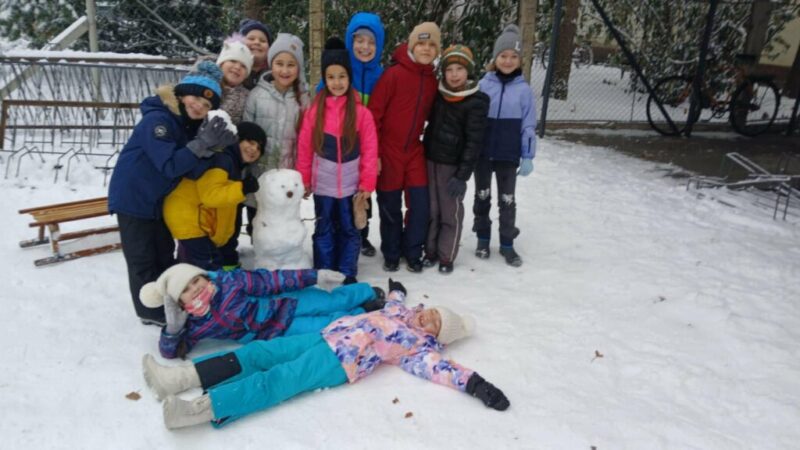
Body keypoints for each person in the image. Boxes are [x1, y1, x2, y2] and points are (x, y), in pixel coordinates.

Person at [141, 279, 510, 429]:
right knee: (259, 352)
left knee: (277, 380)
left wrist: (476, 385)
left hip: (339, 362)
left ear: (436, 337)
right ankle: (179, 377)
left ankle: (198, 410)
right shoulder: (401, 312)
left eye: (436, 325)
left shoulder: (417, 348)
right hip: (323, 336)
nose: (429, 319)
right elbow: (396, 300)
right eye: (434, 313)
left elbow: (442, 369)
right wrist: (396, 290)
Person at [108, 61, 237, 326]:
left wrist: (212, 149)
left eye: (207, 105)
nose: (199, 106)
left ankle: (168, 304)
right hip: (134, 198)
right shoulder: (159, 121)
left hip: (156, 200)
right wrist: (201, 144)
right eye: (196, 98)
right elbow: (169, 165)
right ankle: (150, 312)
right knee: (143, 258)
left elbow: (191, 170)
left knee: (164, 253)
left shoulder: (185, 126)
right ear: (181, 94)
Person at [138, 263, 388, 360]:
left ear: (204, 277)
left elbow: (271, 280)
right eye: (186, 289)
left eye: (196, 280)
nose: (196, 288)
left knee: (329, 301)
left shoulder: (229, 282)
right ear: (179, 302)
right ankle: (362, 311)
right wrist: (173, 330)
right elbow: (171, 352)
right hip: (275, 329)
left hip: (285, 302)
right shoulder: (195, 324)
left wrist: (313, 276)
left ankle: (366, 293)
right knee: (327, 325)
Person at [296, 37, 378, 284]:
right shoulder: (315, 112)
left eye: (342, 76)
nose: (337, 82)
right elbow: (305, 148)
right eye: (331, 77)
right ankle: (324, 270)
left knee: (350, 229)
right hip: (323, 186)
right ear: (324, 79)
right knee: (324, 228)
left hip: (351, 188)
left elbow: (370, 150)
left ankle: (347, 271)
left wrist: (367, 183)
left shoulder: (361, 113)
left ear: (349, 77)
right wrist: (304, 179)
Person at [368, 22, 440, 273]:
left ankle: (412, 251)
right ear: (411, 46)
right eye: (421, 43)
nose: (426, 49)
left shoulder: (432, 81)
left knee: (420, 205)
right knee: (389, 205)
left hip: (414, 151)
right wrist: (376, 154)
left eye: (431, 45)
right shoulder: (394, 75)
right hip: (389, 150)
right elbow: (373, 116)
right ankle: (391, 252)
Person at [422, 45, 489, 274]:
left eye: (459, 69)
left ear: (468, 71)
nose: (454, 74)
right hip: (430, 160)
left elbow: (474, 143)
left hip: (452, 167)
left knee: (450, 212)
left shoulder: (476, 101)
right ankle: (430, 251)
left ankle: (446, 256)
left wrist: (462, 176)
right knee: (432, 210)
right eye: (449, 69)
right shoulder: (439, 94)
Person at [163, 122, 266, 270]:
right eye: (250, 142)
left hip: (197, 221)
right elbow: (211, 197)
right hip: (190, 220)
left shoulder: (231, 162)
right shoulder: (222, 159)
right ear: (237, 139)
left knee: (200, 267)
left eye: (259, 148)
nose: (254, 149)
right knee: (209, 267)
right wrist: (242, 188)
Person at [474, 25, 536, 267]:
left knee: (507, 200)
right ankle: (482, 238)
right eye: (503, 55)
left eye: (513, 56)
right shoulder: (483, 85)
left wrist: (528, 155)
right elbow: (474, 119)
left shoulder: (524, 90)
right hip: (483, 154)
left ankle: (507, 243)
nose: (508, 61)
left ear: (519, 60)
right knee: (482, 197)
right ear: (495, 58)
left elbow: (528, 125)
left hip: (508, 155)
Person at [344, 12, 386, 258]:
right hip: (343, 147)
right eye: (359, 40)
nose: (365, 47)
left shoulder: (381, 76)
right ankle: (345, 233)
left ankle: (362, 234)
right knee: (342, 193)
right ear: (350, 41)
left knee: (365, 191)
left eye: (371, 42)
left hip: (369, 149)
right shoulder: (341, 71)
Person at [216, 34, 254, 124]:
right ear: (221, 64)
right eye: (233, 61)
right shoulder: (207, 84)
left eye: (243, 66)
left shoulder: (248, 97)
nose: (237, 67)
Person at [239, 19, 273, 89]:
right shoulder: (230, 69)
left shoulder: (275, 75)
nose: (257, 42)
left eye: (263, 41)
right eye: (251, 39)